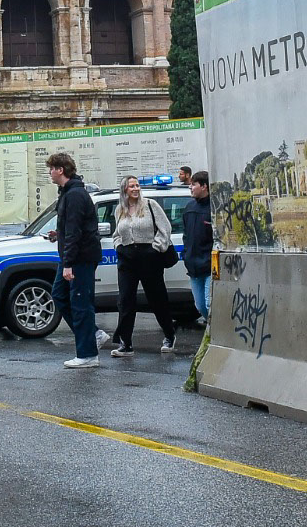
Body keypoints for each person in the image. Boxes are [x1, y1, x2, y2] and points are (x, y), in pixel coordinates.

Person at [108, 175, 178, 358]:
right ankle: (126, 343)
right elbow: (116, 233)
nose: (136, 189)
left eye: (137, 185)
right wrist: (118, 246)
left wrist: (156, 248)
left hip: (149, 256)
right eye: (131, 186)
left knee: (157, 298)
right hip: (127, 259)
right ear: (125, 189)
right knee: (125, 300)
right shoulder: (120, 210)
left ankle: (169, 335)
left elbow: (165, 228)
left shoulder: (150, 205)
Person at [44, 152, 101, 369]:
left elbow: (76, 231)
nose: (50, 173)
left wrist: (68, 263)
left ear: (60, 170)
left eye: (51, 169)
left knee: (80, 304)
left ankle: (87, 354)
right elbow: (71, 227)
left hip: (79, 259)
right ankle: (92, 334)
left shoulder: (75, 194)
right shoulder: (68, 193)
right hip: (71, 256)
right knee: (59, 295)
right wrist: (57, 235)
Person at [183, 171, 214, 326]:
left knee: (210, 304)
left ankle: (214, 334)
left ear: (204, 186)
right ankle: (212, 330)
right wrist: (186, 255)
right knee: (200, 305)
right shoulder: (189, 208)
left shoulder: (214, 209)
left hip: (209, 266)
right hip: (193, 266)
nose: (191, 187)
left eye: (194, 184)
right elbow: (186, 235)